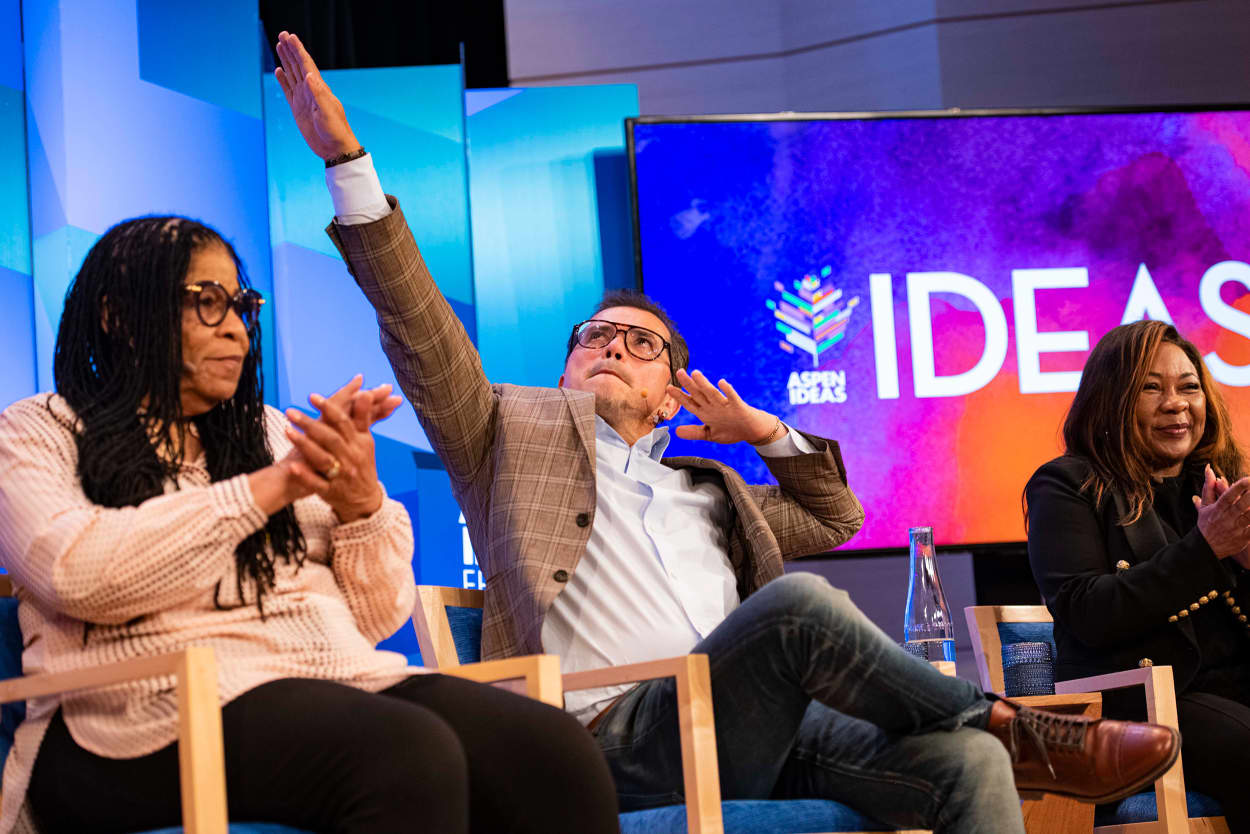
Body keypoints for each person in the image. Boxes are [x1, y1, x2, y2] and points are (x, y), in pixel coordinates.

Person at [274, 30, 1181, 833]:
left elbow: (834, 516)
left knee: (963, 768)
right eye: (596, 337)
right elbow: (418, 320)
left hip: (759, 730)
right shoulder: (504, 437)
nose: (614, 349)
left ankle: (992, 737)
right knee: (797, 610)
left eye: (643, 344)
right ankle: (1009, 723)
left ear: (674, 392)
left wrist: (760, 431)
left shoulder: (710, 492)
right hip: (610, 741)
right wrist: (349, 161)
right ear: (565, 368)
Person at [0, 213, 619, 834]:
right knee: (404, 751)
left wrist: (360, 506)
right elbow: (75, 571)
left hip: (328, 681)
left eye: (241, 305)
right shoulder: (39, 431)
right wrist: (273, 487)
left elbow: (375, 619)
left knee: (552, 751)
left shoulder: (269, 434)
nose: (238, 330)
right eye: (207, 303)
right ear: (117, 315)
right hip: (132, 716)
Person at [1026, 319, 1250, 829]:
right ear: (1112, 400)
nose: (1176, 404)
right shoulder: (1068, 485)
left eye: (1189, 387)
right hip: (1151, 705)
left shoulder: (1222, 480)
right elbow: (1087, 611)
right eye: (1152, 388)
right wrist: (1207, 549)